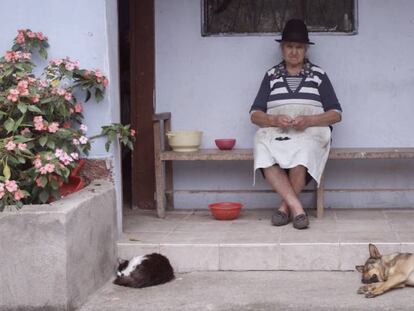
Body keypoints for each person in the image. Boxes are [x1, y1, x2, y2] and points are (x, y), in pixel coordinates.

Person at [250, 19, 342, 229]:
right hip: (277, 130)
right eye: (289, 46)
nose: (294, 52)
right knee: (260, 144)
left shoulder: (319, 76)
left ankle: (284, 208)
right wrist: (273, 119)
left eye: (298, 47)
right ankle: (297, 209)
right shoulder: (271, 76)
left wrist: (309, 120)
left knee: (304, 149)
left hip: (310, 132)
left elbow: (336, 114)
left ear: (305, 49)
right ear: (282, 49)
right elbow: (255, 115)